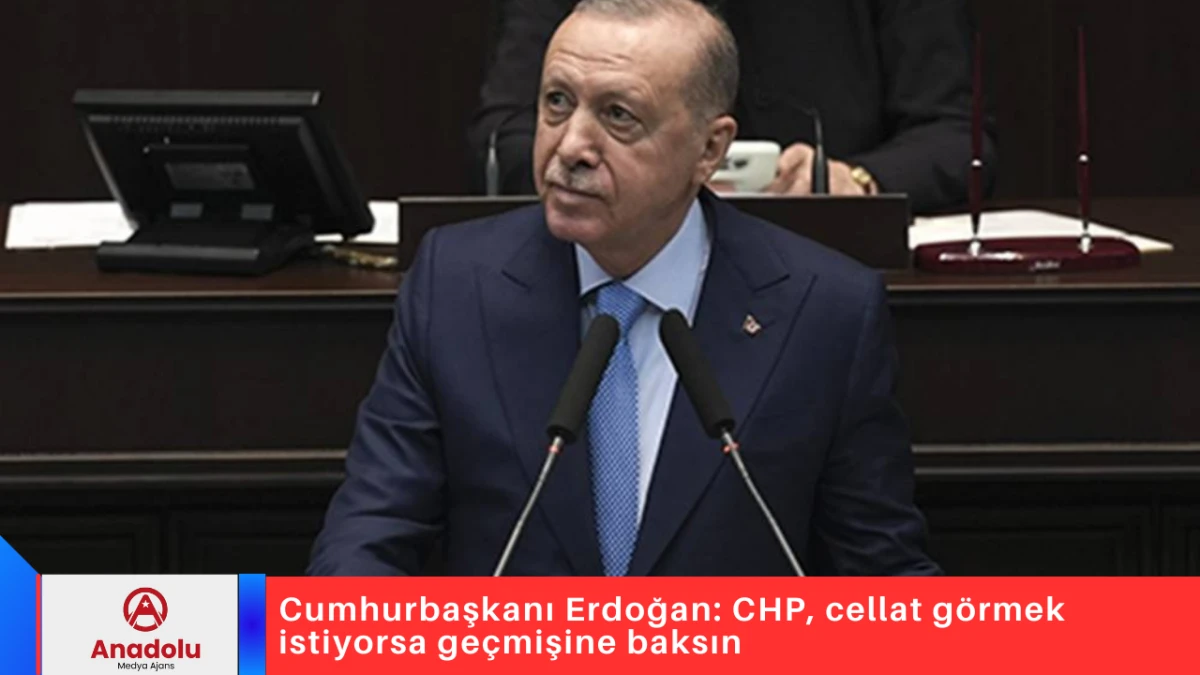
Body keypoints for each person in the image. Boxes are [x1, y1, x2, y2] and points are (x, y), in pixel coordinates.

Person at [309, 0, 939, 576]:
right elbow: (368, 535)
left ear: (710, 148)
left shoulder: (824, 310)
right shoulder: (454, 283)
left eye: (618, 116)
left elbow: (883, 577)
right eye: (557, 102)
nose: (571, 146)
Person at [469, 0, 996, 214]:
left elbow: (957, 141)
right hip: (615, 249)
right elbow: (502, 137)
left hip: (819, 256)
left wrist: (854, 180)